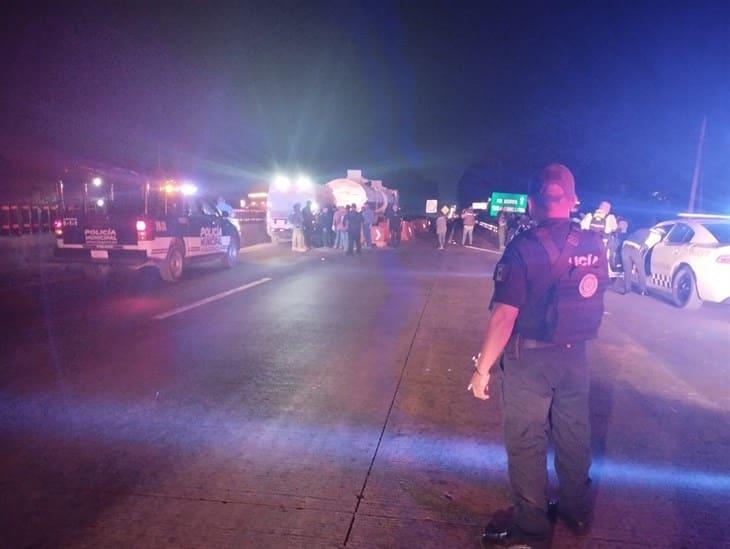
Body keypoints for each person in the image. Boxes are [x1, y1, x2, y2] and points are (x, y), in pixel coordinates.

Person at [470, 164, 608, 548]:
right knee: (574, 434)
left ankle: (531, 528)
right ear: (573, 199)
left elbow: (503, 316)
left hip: (529, 360)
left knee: (528, 440)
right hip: (575, 356)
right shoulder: (594, 243)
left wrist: (482, 370)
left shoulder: (523, 247)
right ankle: (576, 511)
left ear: (532, 203)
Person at [619, 226, 664, 295]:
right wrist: (640, 256)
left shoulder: (642, 229)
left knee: (627, 270)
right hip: (634, 249)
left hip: (624, 248)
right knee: (641, 270)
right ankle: (643, 290)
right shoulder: (657, 236)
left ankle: (627, 289)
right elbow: (645, 246)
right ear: (661, 233)